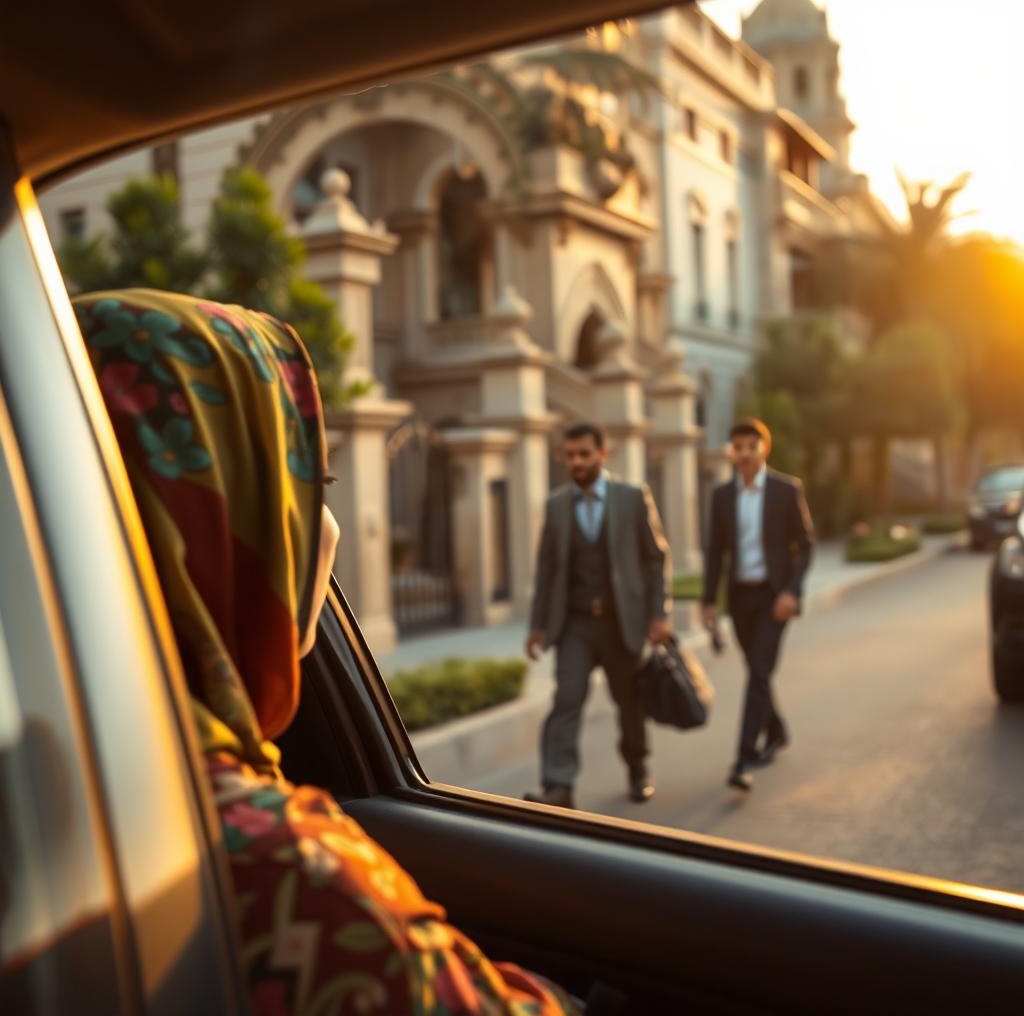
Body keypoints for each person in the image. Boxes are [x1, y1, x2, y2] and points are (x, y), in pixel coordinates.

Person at [75, 288, 580, 1016]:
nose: (324, 524)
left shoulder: (63, 780)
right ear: (219, 506)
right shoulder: (282, 877)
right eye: (298, 476)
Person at [524, 423, 673, 809]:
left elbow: (656, 558)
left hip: (621, 621)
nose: (576, 462)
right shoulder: (556, 505)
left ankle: (638, 769)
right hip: (574, 623)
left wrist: (659, 613)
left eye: (584, 454)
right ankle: (559, 785)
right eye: (569, 455)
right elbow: (547, 569)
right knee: (567, 699)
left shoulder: (632, 497)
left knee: (629, 702)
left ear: (603, 454)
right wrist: (538, 626)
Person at [702, 418, 814, 793]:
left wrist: (791, 593)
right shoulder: (721, 497)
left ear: (764, 448)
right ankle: (777, 731)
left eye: (752, 446)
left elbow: (806, 545)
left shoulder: (785, 490)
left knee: (759, 672)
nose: (745, 454)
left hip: (774, 597)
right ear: (732, 452)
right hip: (740, 598)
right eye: (738, 447)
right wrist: (708, 603)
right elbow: (715, 553)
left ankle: (743, 757)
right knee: (758, 671)